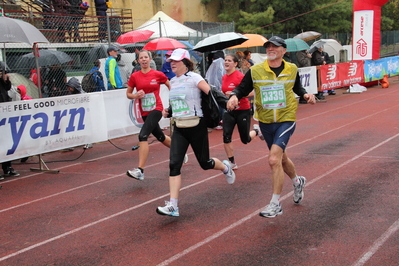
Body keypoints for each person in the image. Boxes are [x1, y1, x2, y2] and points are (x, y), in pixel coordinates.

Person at [226, 36, 316, 218]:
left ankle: (275, 204)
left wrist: (306, 95)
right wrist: (234, 96)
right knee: (281, 159)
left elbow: (297, 88)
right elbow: (242, 88)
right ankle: (298, 181)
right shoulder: (255, 70)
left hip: (286, 118)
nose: (270, 49)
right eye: (268, 47)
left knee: (274, 159)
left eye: (275, 47)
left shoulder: (292, 69)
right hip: (266, 121)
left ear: (284, 51)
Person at [156, 48, 236, 217]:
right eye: (171, 61)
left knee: (205, 163)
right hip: (178, 127)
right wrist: (169, 111)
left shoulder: (194, 78)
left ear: (185, 62)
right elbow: (179, 103)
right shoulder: (173, 81)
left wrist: (227, 102)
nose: (172, 63)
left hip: (196, 126)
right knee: (174, 164)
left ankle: (226, 167)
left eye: (176, 61)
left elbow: (212, 93)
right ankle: (173, 205)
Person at [125, 50, 179, 180]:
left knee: (143, 135)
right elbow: (128, 94)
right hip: (144, 111)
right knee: (160, 136)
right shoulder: (135, 76)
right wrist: (136, 95)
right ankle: (179, 152)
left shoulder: (157, 74)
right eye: (141, 58)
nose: (143, 60)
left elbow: (169, 85)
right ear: (138, 61)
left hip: (156, 109)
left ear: (150, 59)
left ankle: (140, 171)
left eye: (145, 57)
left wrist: (174, 97)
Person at [222, 54, 262, 169]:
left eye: (229, 60)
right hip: (229, 111)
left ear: (235, 64)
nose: (226, 62)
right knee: (226, 136)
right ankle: (232, 162)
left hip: (243, 110)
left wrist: (236, 95)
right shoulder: (224, 77)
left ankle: (256, 130)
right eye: (225, 60)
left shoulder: (240, 76)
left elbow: (253, 92)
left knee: (245, 139)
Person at [0, 66, 20, 179]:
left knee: (7, 141)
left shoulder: (3, 79)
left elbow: (8, 88)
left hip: (5, 112)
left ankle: (8, 167)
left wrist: (6, 79)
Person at [205, 50, 226, 130]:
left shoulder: (213, 64)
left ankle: (220, 120)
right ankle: (223, 120)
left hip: (215, 89)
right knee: (222, 104)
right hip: (220, 89)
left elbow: (210, 78)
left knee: (218, 105)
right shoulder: (221, 64)